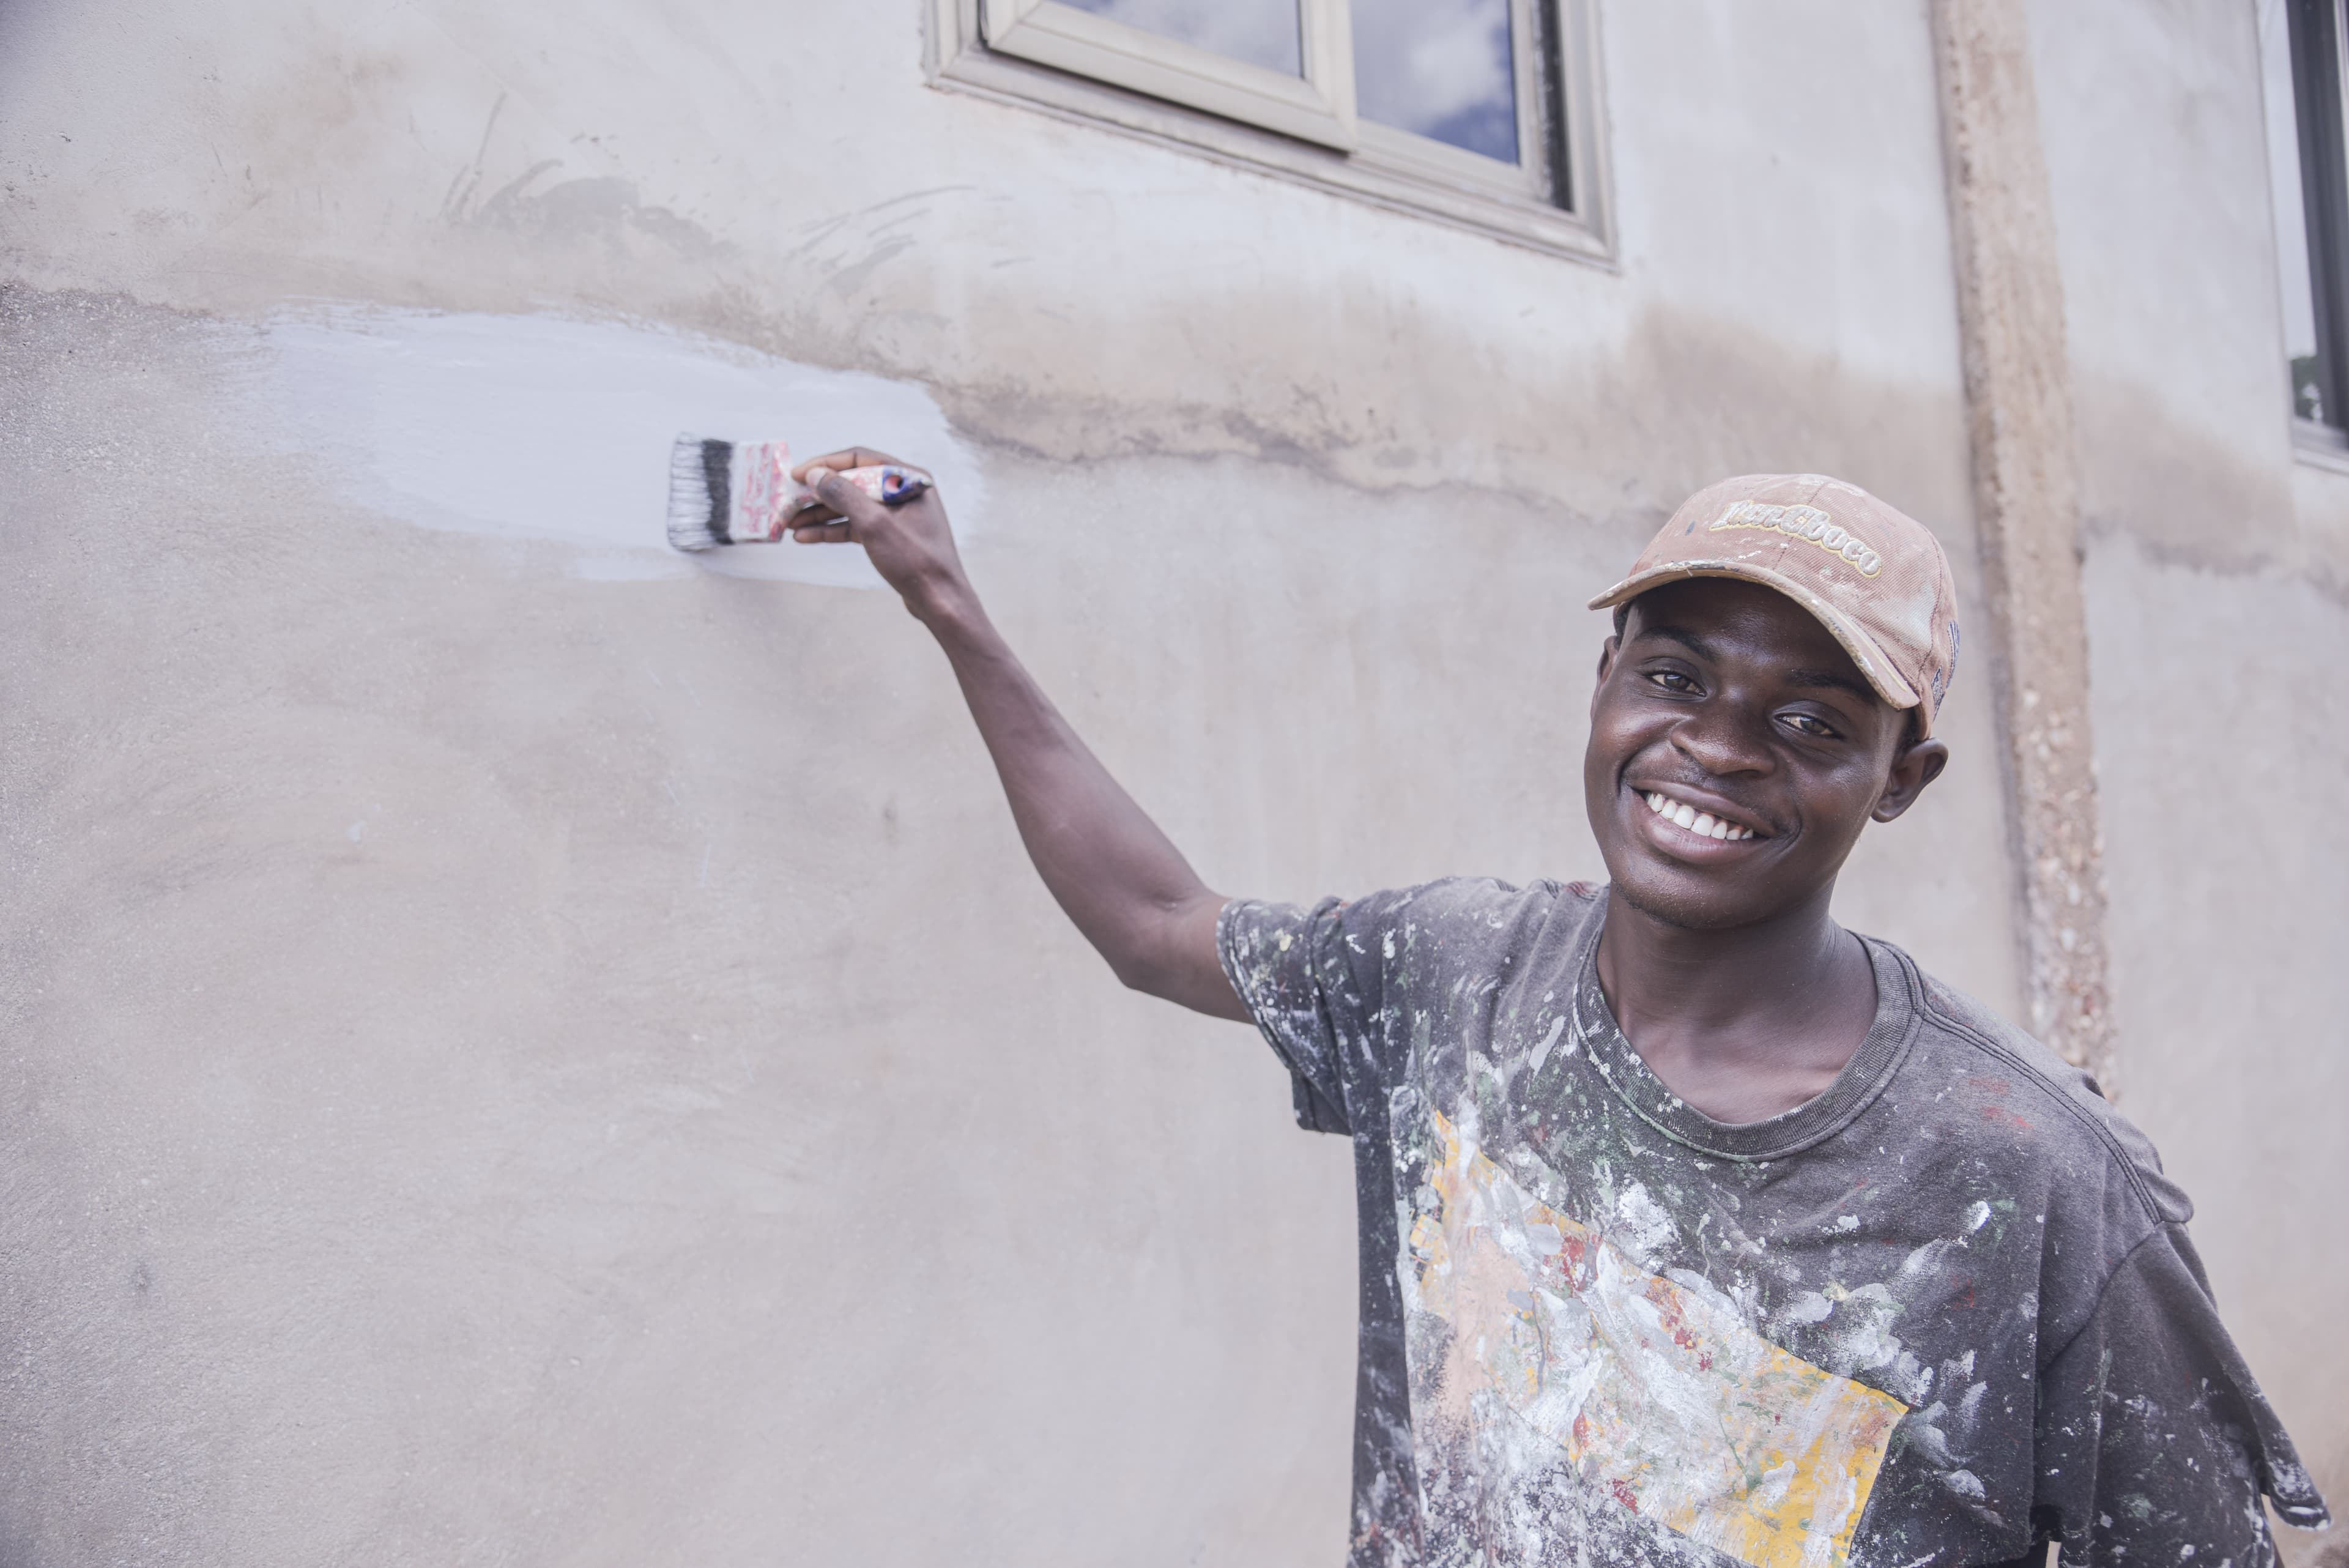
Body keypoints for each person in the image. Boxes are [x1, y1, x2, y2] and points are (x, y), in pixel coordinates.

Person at [785, 455, 2331, 1568]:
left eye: (1811, 719)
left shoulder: (2030, 1178)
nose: (1715, 748)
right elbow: (1153, 924)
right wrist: (947, 602)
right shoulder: (1451, 975)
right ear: (1605, 683)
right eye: (1675, 675)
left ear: (1900, 778)